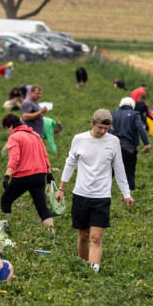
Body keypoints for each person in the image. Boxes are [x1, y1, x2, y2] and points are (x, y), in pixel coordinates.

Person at [56, 109, 133, 273]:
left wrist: (126, 194)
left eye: (106, 128)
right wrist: (61, 188)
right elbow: (70, 163)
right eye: (99, 127)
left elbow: (119, 169)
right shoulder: (79, 139)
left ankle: (93, 272)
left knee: (95, 238)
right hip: (81, 195)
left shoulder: (113, 142)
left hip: (102, 197)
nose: (103, 131)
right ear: (92, 123)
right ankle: (83, 268)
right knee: (83, 236)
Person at [0, 114, 55, 231]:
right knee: (42, 207)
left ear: (10, 126)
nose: (8, 132)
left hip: (23, 176)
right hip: (40, 175)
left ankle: (7, 231)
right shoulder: (36, 135)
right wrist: (49, 173)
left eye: (6, 129)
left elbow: (14, 158)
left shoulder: (14, 137)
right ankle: (52, 234)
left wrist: (7, 175)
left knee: (5, 200)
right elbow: (44, 156)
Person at [110, 97, 151, 191]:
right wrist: (147, 144)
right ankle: (130, 194)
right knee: (129, 171)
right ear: (132, 106)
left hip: (112, 146)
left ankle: (102, 191)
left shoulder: (112, 112)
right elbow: (140, 129)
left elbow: (107, 129)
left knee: (109, 170)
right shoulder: (135, 114)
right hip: (128, 148)